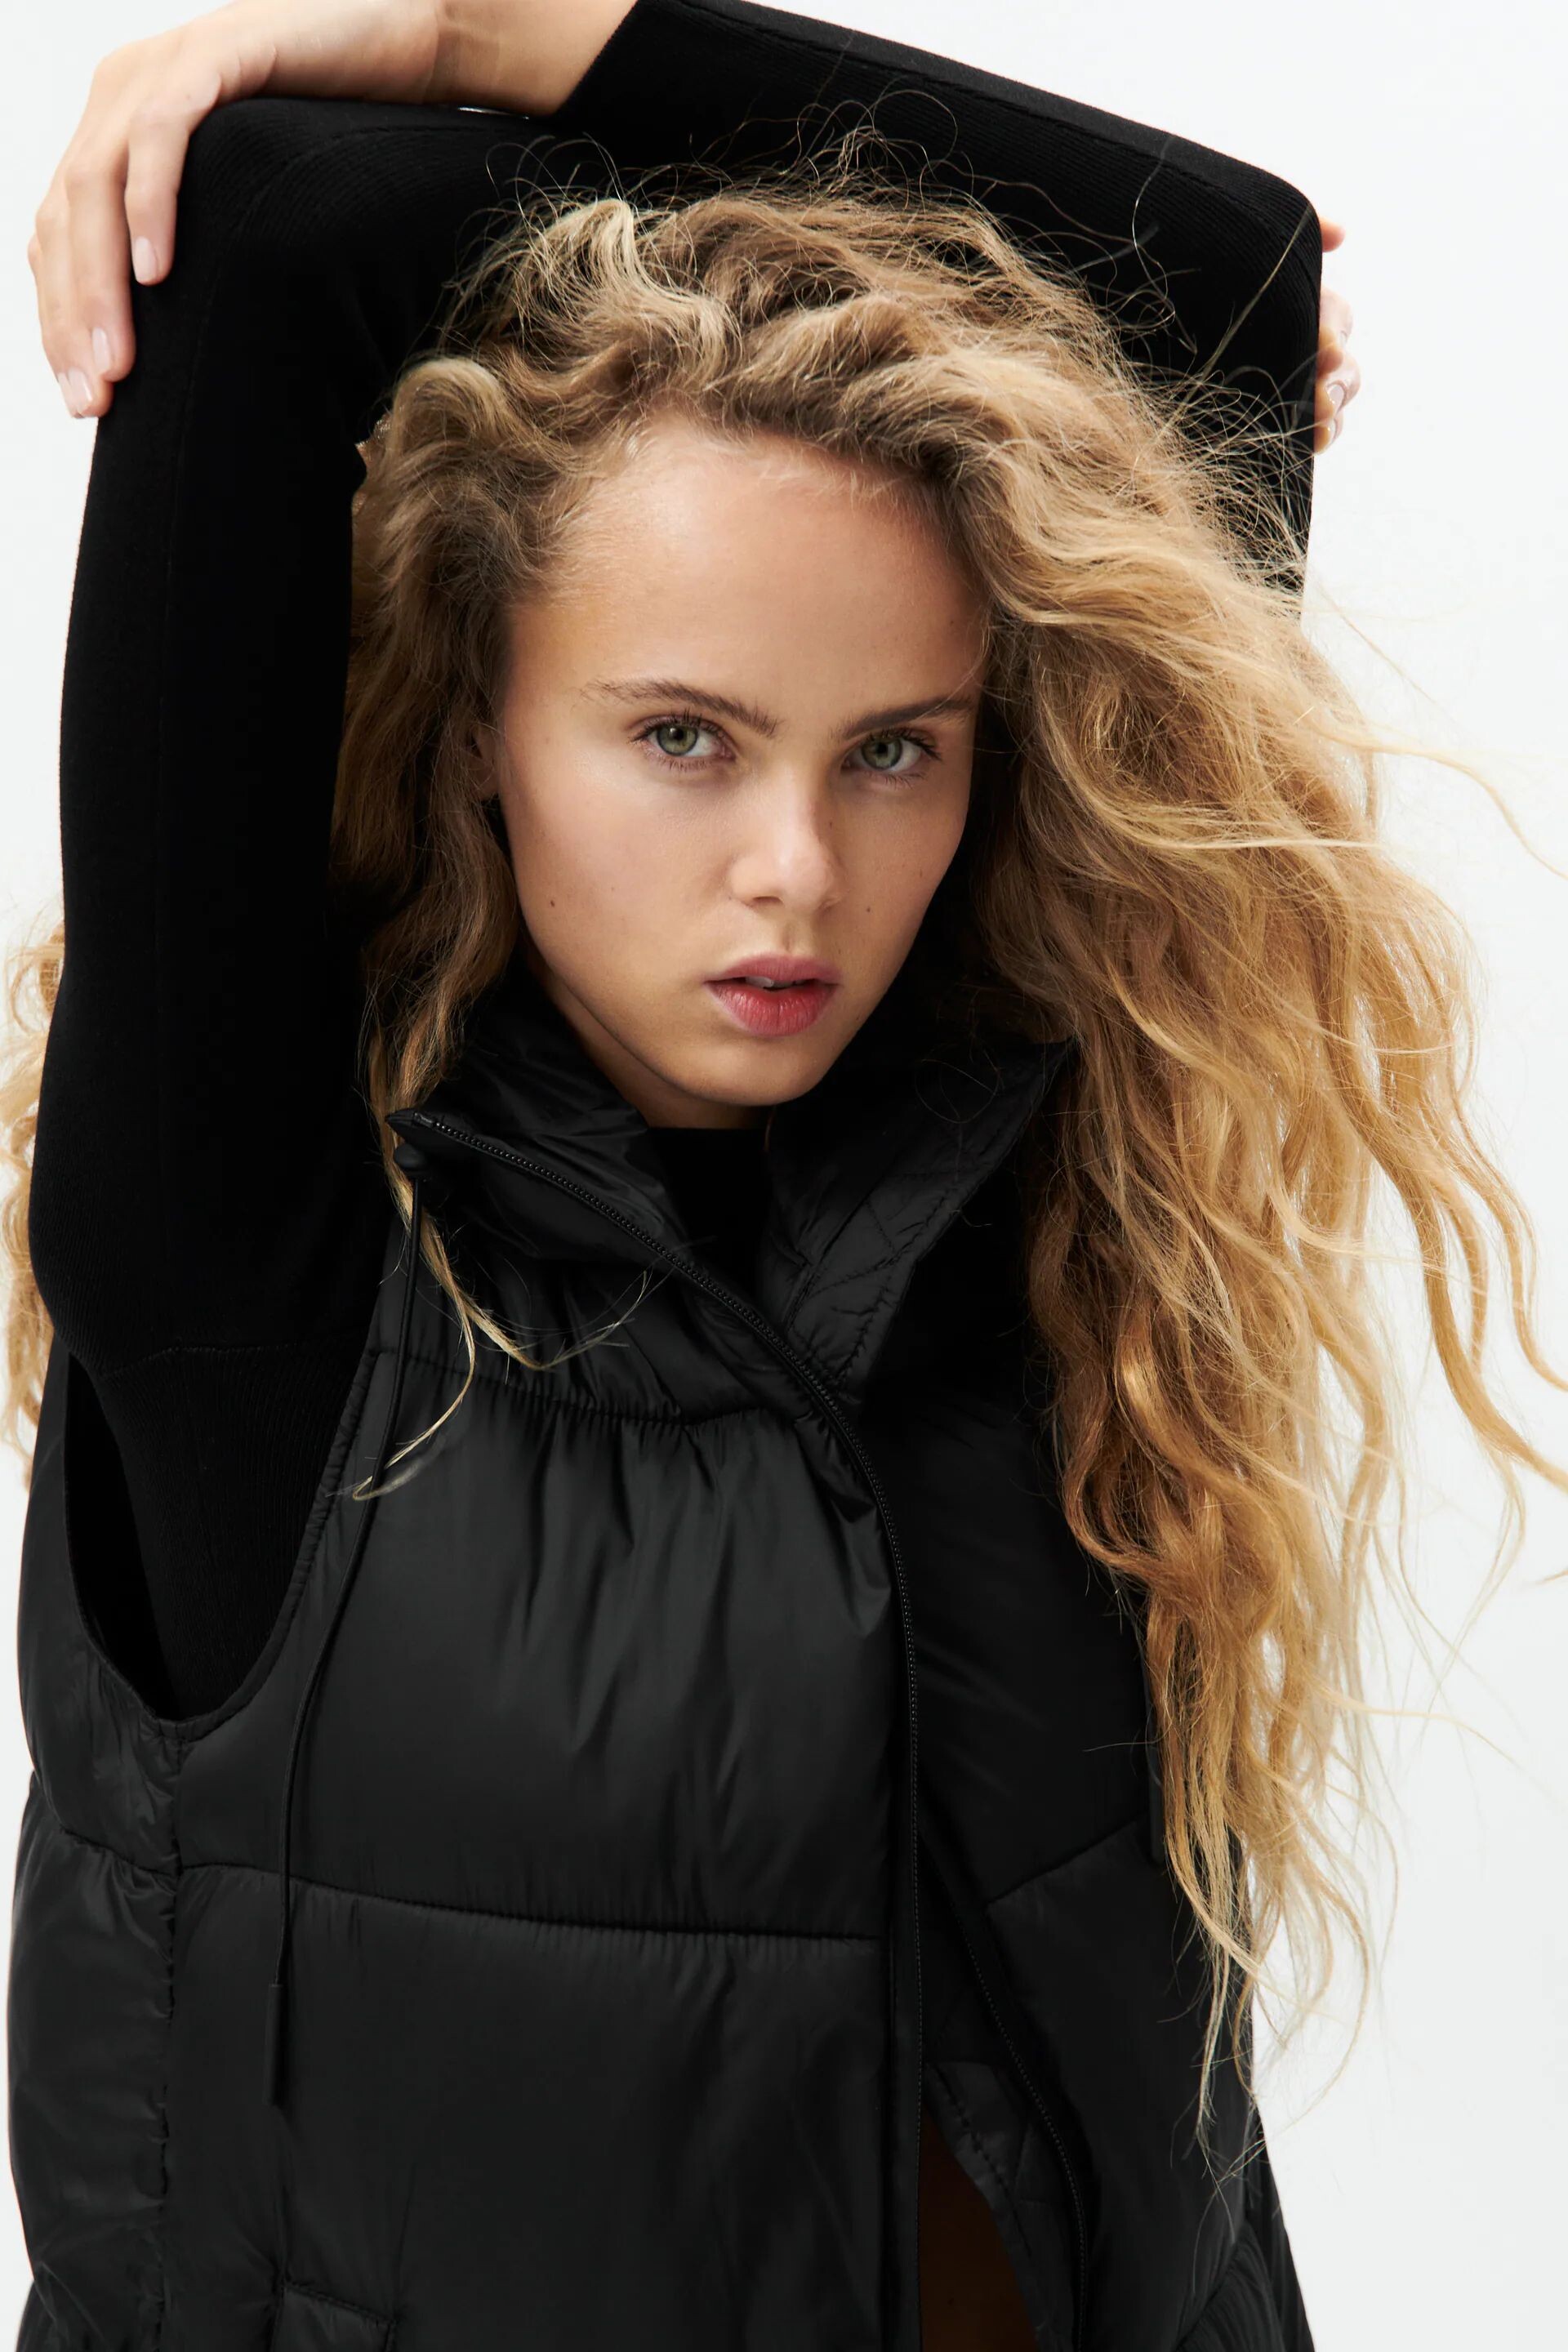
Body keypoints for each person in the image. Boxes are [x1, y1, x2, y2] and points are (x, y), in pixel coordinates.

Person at [11, 6, 1551, 2352]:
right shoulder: (251, 1254)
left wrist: (505, 41)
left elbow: (1215, 299)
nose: (800, 873)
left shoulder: (1025, 1177)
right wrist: (482, 52)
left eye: (895, 751)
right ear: (477, 719)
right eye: (682, 736)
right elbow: (282, 240)